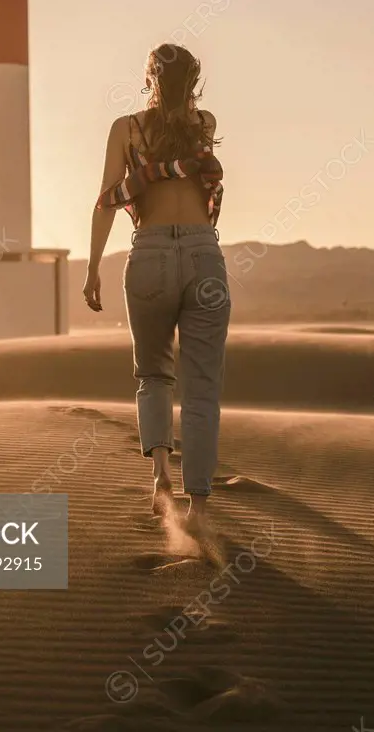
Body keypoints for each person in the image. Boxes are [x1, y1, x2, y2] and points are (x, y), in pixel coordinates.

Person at [83, 44, 231, 537]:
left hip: (146, 256)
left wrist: (92, 268)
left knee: (153, 374)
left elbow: (107, 199)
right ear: (193, 82)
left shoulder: (125, 129)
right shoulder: (203, 124)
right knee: (203, 384)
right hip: (202, 254)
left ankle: (160, 476)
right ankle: (200, 509)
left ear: (149, 78)